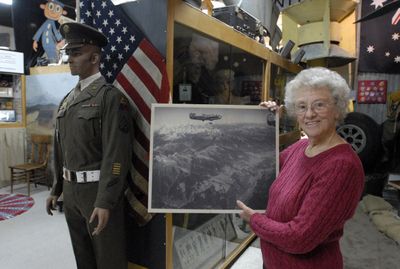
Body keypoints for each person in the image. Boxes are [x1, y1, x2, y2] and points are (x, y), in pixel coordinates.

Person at [237, 67, 364, 269]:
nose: (309, 114)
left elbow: (299, 238)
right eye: (302, 106)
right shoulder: (300, 147)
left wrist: (255, 220)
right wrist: (265, 125)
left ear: (337, 109)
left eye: (319, 105)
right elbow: (262, 166)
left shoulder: (341, 166)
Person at [45, 22, 133, 269]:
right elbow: (60, 147)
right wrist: (56, 188)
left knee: (108, 259)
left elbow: (116, 155)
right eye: (69, 54)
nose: (70, 59)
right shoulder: (68, 100)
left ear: (94, 58)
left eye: (76, 53)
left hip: (97, 191)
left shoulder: (110, 98)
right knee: (82, 256)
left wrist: (105, 200)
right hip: (71, 193)